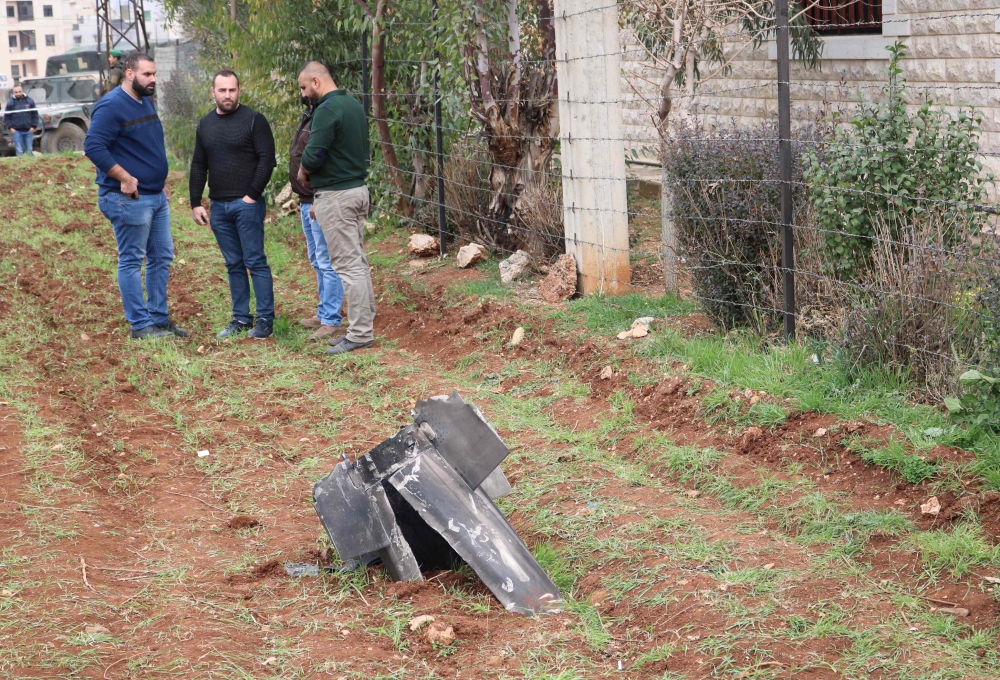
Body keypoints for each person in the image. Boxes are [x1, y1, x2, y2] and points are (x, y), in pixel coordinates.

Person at [84, 52, 188, 340]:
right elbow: (93, 146)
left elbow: (147, 146)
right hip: (128, 198)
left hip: (154, 194)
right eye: (147, 74)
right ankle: (140, 326)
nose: (153, 79)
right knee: (132, 260)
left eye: (154, 74)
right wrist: (126, 178)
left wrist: (160, 181)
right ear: (129, 73)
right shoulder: (111, 106)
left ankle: (158, 318)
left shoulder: (145, 99)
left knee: (161, 255)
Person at [189, 69, 277, 340]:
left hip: (246, 205)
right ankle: (241, 318)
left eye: (232, 90)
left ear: (239, 91)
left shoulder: (254, 120)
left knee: (255, 260)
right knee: (233, 263)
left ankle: (265, 320)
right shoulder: (205, 124)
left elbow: (267, 160)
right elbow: (198, 164)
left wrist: (251, 196)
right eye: (222, 90)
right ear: (213, 93)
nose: (227, 95)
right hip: (218, 207)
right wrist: (195, 202)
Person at [297, 61, 373, 355]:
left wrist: (303, 171)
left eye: (304, 87)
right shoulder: (353, 105)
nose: (304, 94)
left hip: (338, 195)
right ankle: (363, 324)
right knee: (358, 262)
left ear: (316, 81)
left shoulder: (326, 110)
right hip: (357, 189)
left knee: (348, 266)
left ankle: (360, 333)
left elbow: (313, 154)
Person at [289, 96, 346, 341]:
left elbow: (323, 160)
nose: (302, 93)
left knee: (327, 260)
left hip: (317, 199)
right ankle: (324, 312)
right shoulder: (310, 116)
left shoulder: (324, 119)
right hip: (305, 200)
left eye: (304, 87)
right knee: (316, 259)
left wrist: (317, 197)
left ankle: (332, 319)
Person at [4, 84, 39, 156]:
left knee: (29, 150)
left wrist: (33, 126)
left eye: (19, 91)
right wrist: (10, 127)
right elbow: (7, 116)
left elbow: (35, 114)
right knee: (19, 152)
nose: (18, 93)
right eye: (16, 92)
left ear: (22, 91)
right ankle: (20, 163)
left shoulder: (30, 101)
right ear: (13, 92)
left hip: (29, 131)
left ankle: (30, 163)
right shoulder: (10, 103)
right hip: (16, 131)